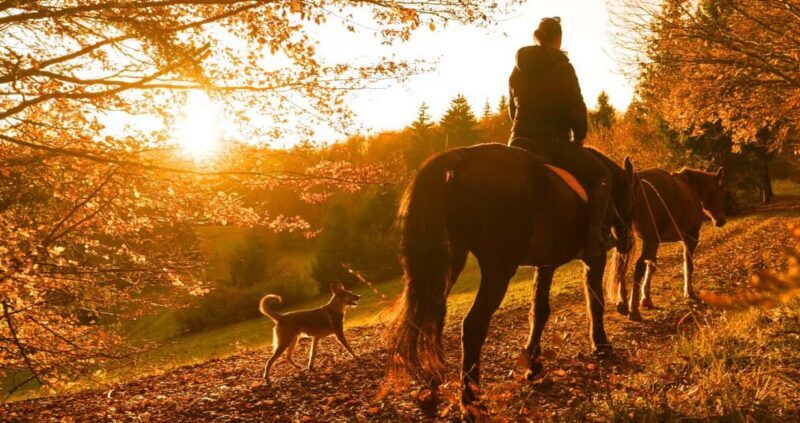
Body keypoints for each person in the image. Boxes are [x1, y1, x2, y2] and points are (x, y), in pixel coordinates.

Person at [508, 16, 614, 259]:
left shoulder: (517, 69)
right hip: (552, 142)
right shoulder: (563, 67)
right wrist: (579, 136)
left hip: (519, 141)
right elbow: (575, 106)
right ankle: (593, 239)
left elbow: (512, 110)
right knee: (602, 175)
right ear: (558, 38)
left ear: (538, 37)